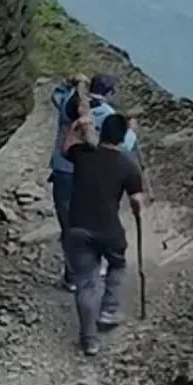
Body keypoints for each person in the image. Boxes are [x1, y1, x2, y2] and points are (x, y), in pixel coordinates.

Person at [63, 77, 145, 356]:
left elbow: (68, 147)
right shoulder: (128, 164)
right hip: (108, 231)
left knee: (86, 283)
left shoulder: (84, 154)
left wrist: (77, 127)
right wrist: (136, 212)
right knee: (118, 265)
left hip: (77, 230)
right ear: (122, 138)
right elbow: (136, 200)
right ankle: (109, 311)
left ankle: (89, 339)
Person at [49, 73, 138, 290]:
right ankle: (93, 270)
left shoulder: (69, 101)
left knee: (69, 225)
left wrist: (71, 83)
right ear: (109, 93)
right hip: (88, 174)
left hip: (62, 170)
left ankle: (72, 276)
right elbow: (123, 145)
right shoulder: (107, 114)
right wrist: (132, 131)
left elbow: (55, 95)